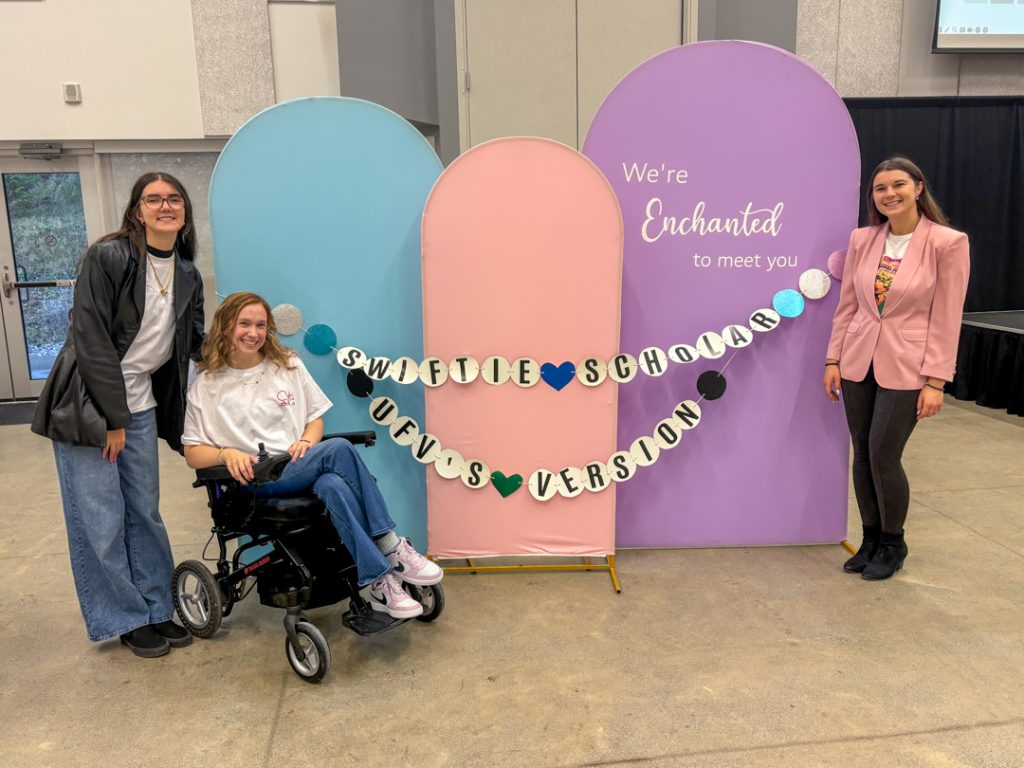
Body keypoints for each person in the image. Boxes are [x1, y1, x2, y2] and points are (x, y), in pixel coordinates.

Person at [181, 292, 442, 618]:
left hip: (298, 465)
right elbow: (193, 453)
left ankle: (379, 583)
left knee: (333, 483)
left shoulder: (287, 365)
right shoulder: (207, 384)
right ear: (225, 326)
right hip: (256, 481)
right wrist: (225, 453)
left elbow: (314, 418)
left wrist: (306, 440)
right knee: (339, 449)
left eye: (261, 325)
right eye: (244, 324)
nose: (253, 332)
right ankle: (391, 545)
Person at [32, 172, 205, 656]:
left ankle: (156, 607)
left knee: (144, 513)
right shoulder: (107, 257)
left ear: (184, 211)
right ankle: (124, 616)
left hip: (141, 405)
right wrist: (114, 419)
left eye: (174, 199)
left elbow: (193, 340)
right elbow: (91, 342)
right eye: (154, 199)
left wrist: (258, 355)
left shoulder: (186, 272)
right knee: (102, 518)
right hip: (89, 407)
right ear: (137, 210)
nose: (165, 206)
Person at [824, 156, 969, 580]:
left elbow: (947, 316)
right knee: (863, 454)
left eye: (898, 184)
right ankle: (870, 539)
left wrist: (936, 381)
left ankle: (893, 542)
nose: (889, 194)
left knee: (885, 454)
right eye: (880, 188)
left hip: (909, 367)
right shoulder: (862, 240)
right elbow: (848, 305)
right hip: (856, 362)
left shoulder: (947, 242)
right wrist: (833, 358)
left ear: (918, 187)